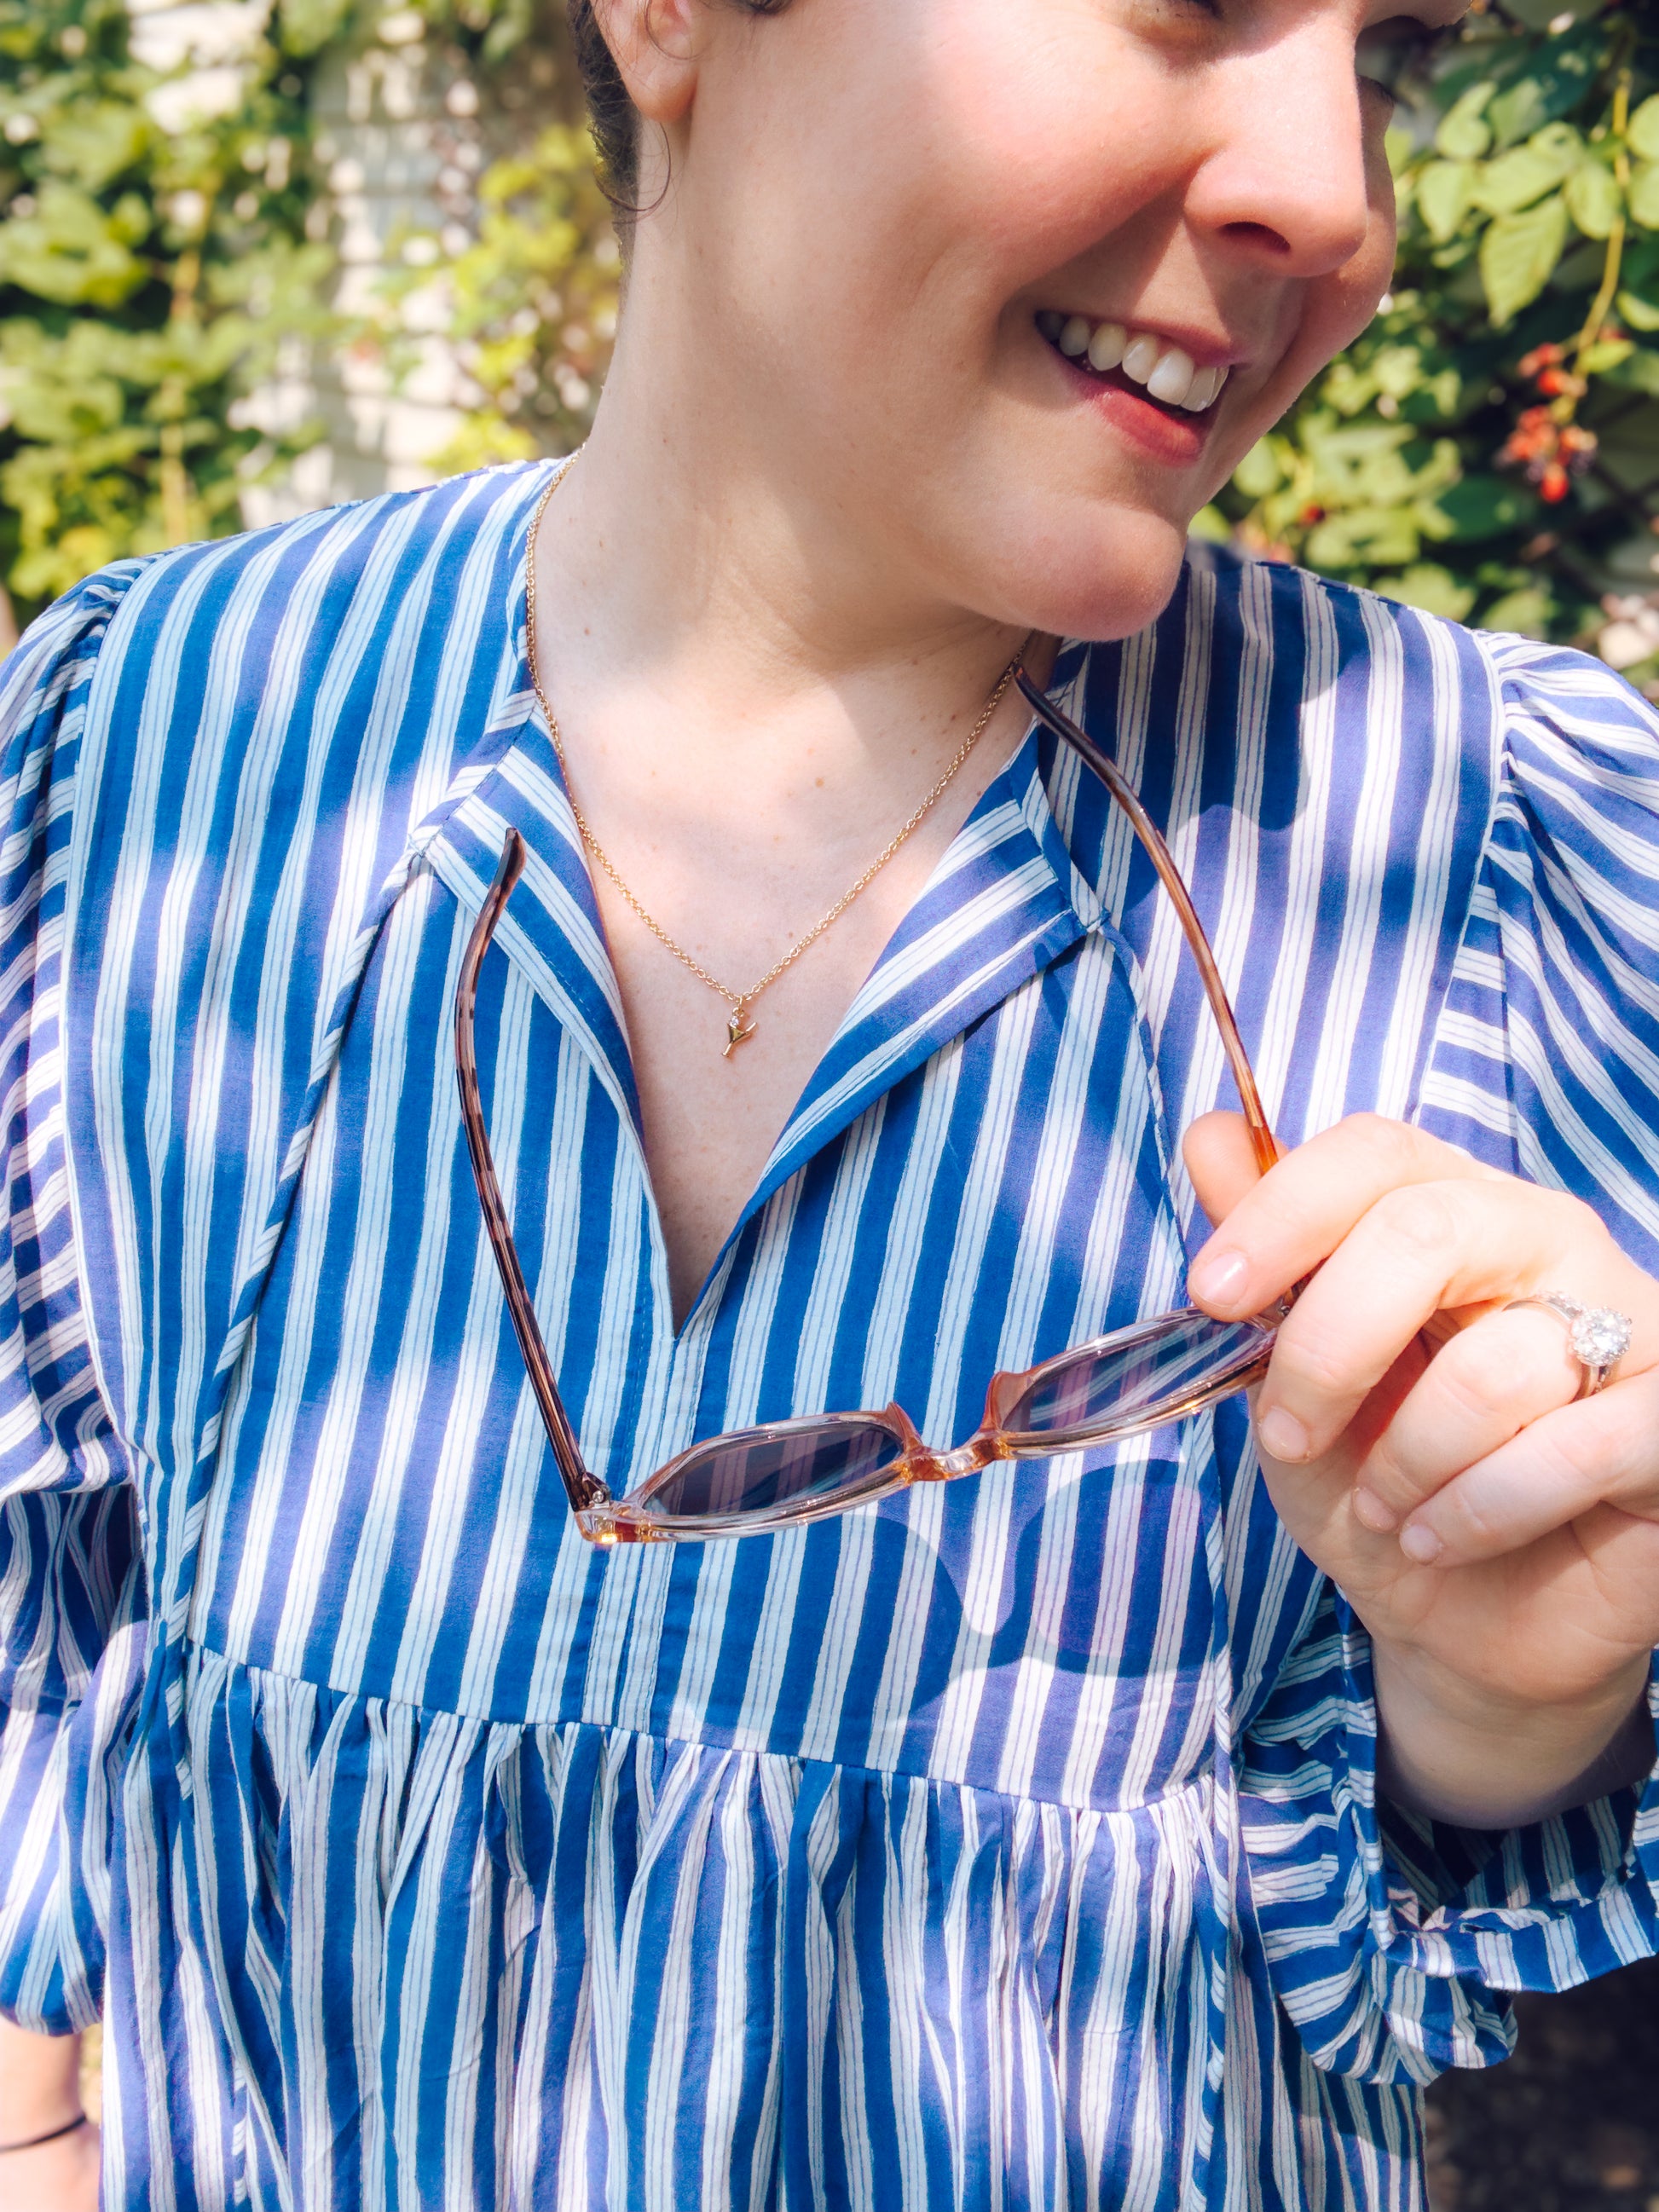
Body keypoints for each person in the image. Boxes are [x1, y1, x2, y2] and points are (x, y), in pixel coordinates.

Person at [3, 0, 1659, 2204]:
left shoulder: (1493, 863)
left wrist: (1508, 1696)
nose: (1337, 194)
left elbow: (1406, 1944)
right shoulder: (142, 752)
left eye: (1398, 47)